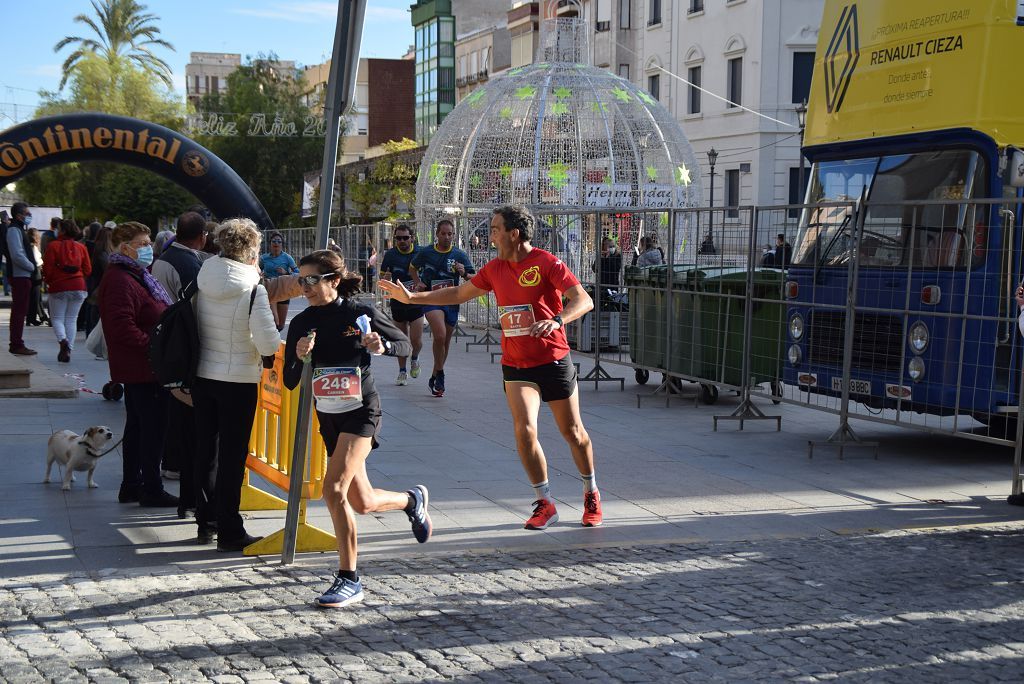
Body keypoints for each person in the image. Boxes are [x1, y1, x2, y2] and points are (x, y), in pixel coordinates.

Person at [380, 205, 603, 530]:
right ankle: (545, 502)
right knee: (524, 430)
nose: (490, 234)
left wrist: (557, 321)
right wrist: (413, 299)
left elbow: (583, 299)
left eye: (496, 228)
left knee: (573, 433)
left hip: (553, 359)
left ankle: (590, 491)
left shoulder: (546, 262)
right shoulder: (495, 268)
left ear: (514, 233)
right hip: (516, 364)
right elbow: (458, 293)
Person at [285, 248, 428, 608]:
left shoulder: (358, 312)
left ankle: (349, 578)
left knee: (332, 489)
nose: (306, 287)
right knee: (361, 502)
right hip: (329, 415)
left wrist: (379, 346)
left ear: (333, 280)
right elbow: (288, 380)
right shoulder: (302, 323)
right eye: (301, 281)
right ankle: (411, 501)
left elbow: (404, 343)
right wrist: (300, 356)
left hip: (362, 411)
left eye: (312, 280)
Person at [192, 218, 281, 550]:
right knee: (232, 456)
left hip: (203, 374)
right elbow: (269, 343)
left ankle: (206, 518)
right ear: (253, 249)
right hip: (238, 378)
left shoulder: (204, 276)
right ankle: (230, 528)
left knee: (206, 450)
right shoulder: (251, 288)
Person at [99, 222, 178, 507]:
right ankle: (150, 488)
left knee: (138, 427)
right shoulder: (121, 279)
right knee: (152, 429)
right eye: (143, 244)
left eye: (148, 243)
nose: (148, 249)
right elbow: (121, 327)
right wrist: (156, 346)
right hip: (144, 367)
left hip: (143, 366)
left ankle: (132, 484)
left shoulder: (135, 274)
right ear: (125, 248)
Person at [151, 211, 209, 503]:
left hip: (171, 338)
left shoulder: (164, 261)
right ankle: (174, 462)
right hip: (179, 341)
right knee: (179, 409)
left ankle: (173, 462)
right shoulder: (192, 264)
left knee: (175, 407)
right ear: (202, 237)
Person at [409, 219, 475, 397]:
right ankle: (441, 374)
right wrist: (418, 282)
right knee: (439, 334)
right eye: (443, 233)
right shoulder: (427, 252)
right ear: (437, 234)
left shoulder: (459, 255)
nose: (447, 237)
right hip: (432, 299)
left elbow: (474, 278)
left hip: (452, 301)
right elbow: (412, 267)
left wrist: (463, 273)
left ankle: (435, 375)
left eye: (450, 234)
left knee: (444, 342)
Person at [379, 223, 424, 385]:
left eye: (405, 238)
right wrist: (386, 278)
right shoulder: (390, 255)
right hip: (398, 302)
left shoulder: (420, 252)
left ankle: (415, 358)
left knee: (416, 340)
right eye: (399, 238)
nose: (402, 241)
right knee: (401, 339)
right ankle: (402, 372)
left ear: (412, 238)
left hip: (415, 301)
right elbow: (382, 277)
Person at [42, 219, 92, 363]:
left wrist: (50, 281)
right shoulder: (81, 247)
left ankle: (63, 342)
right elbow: (88, 269)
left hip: (59, 287)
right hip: (79, 286)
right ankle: (68, 349)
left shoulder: (53, 246)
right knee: (72, 319)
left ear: (62, 230)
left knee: (57, 318)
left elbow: (48, 269)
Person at [6, 203, 38, 355]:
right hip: (20, 275)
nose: (29, 215)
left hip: (22, 275)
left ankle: (17, 342)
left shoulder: (18, 229)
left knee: (20, 311)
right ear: (19, 215)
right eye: (27, 213)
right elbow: (17, 254)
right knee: (19, 311)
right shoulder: (14, 230)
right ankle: (16, 344)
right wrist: (32, 266)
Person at [258, 231, 299, 331]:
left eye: (279, 241)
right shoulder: (263, 258)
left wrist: (286, 273)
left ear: (282, 244)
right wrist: (260, 274)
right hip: (270, 289)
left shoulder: (287, 258)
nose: (276, 243)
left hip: (284, 289)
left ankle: (276, 343)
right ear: (270, 243)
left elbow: (298, 273)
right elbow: (257, 271)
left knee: (280, 325)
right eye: (274, 241)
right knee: (274, 322)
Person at [84, 226, 114, 337]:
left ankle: (90, 335)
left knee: (92, 313)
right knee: (95, 315)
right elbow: (109, 270)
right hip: (99, 288)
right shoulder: (103, 254)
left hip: (93, 285)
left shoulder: (95, 249)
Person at [25, 228, 49, 328]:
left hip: (32, 273)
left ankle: (40, 316)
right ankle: (32, 318)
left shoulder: (28, 247)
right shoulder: (33, 248)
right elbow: (36, 261)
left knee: (36, 297)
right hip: (36, 273)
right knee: (35, 297)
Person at [0, 210, 10, 296]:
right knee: (8, 273)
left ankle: (6, 290)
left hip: (1, 255)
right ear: (5, 218)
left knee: (4, 274)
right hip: (6, 255)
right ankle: (8, 290)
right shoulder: (7, 228)